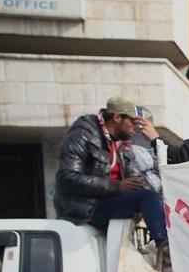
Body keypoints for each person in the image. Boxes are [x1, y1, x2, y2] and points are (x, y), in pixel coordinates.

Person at [54, 96, 167, 263]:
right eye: (133, 123)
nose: (136, 129)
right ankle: (166, 252)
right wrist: (116, 187)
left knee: (151, 197)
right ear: (117, 118)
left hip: (109, 201)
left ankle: (166, 247)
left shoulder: (122, 143)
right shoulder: (83, 134)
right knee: (148, 197)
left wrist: (140, 205)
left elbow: (135, 179)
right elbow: (67, 178)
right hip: (86, 208)